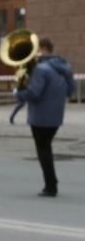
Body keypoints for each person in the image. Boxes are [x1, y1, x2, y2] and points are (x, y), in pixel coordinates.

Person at [15, 37, 74, 197]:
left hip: (40, 116)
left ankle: (50, 185)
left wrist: (18, 93)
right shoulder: (64, 66)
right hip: (56, 116)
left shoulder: (41, 69)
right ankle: (52, 182)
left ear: (42, 48)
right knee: (46, 147)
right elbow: (71, 91)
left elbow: (34, 93)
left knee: (43, 150)